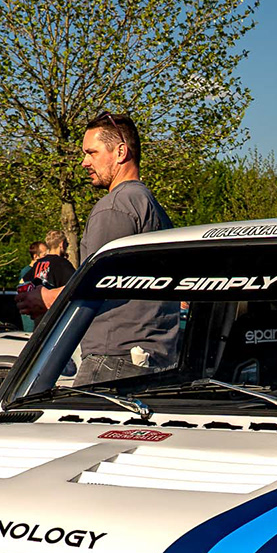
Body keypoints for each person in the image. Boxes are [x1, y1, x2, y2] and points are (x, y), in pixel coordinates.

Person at [73, 110, 174, 384]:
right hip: (149, 356)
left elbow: (94, 284)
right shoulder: (149, 205)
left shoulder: (116, 206)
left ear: (120, 152)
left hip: (113, 358)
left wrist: (45, 298)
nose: (84, 162)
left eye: (91, 153)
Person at [31, 230, 73, 312]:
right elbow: (75, 284)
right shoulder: (62, 263)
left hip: (39, 311)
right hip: (56, 312)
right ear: (61, 244)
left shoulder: (37, 263)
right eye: (66, 244)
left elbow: (24, 281)